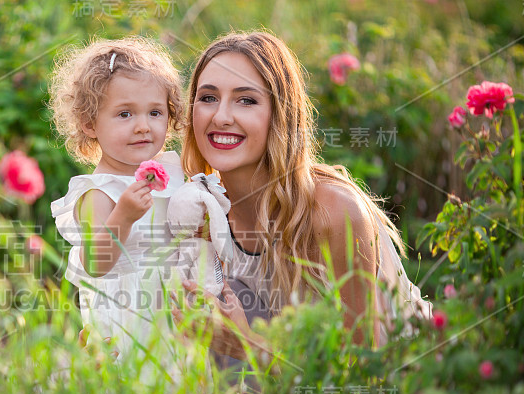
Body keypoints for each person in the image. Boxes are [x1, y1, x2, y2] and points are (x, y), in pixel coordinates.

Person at [174, 31, 432, 366]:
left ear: (280, 115)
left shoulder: (334, 213)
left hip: (404, 390)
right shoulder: (199, 207)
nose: (221, 116)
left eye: (246, 100)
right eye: (208, 97)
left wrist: (248, 348)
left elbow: (363, 373)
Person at [49, 37, 186, 361]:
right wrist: (123, 216)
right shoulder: (99, 192)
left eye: (155, 112)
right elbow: (95, 264)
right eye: (125, 114)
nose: (143, 126)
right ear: (89, 123)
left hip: (174, 318)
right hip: (128, 320)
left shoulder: (169, 168)